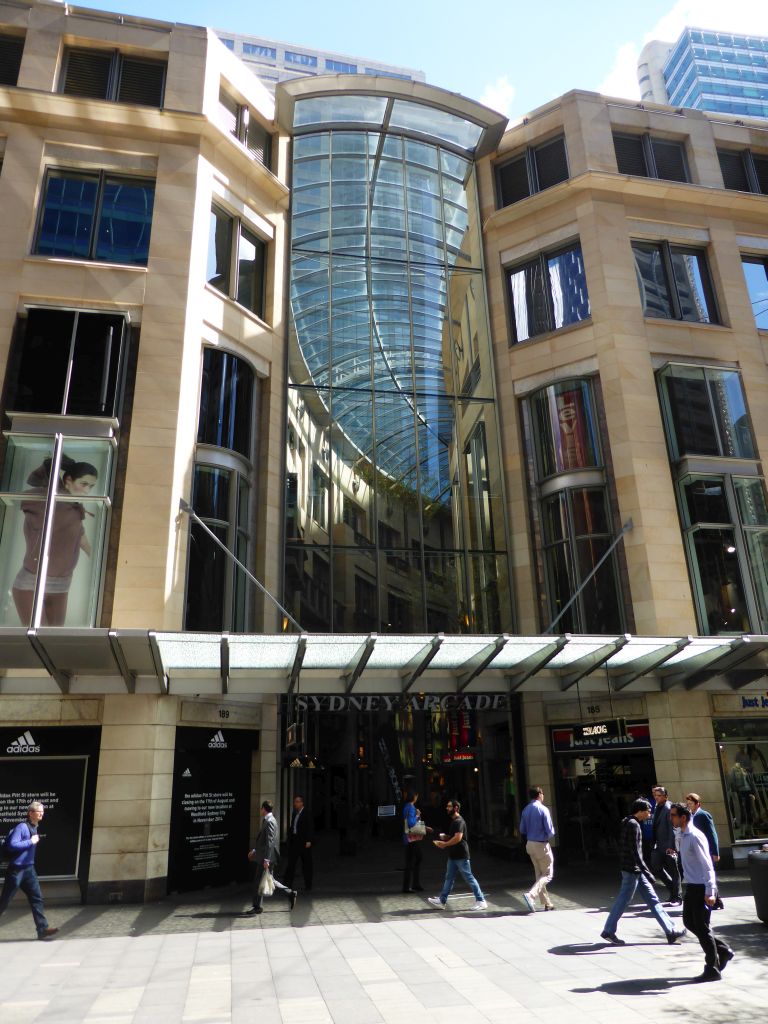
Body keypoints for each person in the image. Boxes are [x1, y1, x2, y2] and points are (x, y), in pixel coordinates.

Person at [12, 455, 98, 627]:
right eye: (83, 484)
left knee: (53, 643)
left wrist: (98, 559)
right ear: (68, 480)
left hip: (61, 586)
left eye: (91, 486)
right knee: (37, 642)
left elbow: (82, 540)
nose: (87, 491)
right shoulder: (44, 501)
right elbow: (29, 498)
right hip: (31, 583)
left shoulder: (74, 509)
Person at [600, 799, 686, 946]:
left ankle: (670, 931)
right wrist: (647, 872)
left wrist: (643, 872)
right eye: (648, 810)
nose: (650, 813)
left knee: (653, 900)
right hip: (632, 870)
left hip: (633, 870)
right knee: (623, 900)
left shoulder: (627, 821)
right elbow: (636, 852)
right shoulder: (634, 825)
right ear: (640, 810)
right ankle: (608, 930)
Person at [669, 802, 734, 982]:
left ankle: (712, 968)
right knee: (690, 922)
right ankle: (722, 950)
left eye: (673, 815)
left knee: (702, 928)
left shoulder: (695, 836)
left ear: (683, 817)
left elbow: (707, 865)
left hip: (701, 887)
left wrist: (711, 890)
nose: (671, 818)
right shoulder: (682, 834)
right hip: (691, 885)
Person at [0, 801, 58, 940]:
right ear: (31, 813)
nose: (42, 813)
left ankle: (42, 929)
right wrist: (30, 841)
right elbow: (13, 845)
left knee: (37, 898)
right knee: (4, 902)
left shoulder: (34, 827)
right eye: (39, 811)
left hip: (29, 870)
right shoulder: (22, 827)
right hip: (16, 870)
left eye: (42, 811)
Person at [428, 799, 487, 911]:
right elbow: (455, 837)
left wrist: (445, 844)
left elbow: (458, 837)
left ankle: (481, 900)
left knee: (469, 877)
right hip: (454, 855)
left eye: (449, 806)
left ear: (455, 808)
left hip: (461, 855)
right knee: (449, 878)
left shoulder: (459, 821)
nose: (447, 808)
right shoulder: (455, 821)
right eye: (447, 806)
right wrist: (446, 837)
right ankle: (442, 900)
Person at [246, 801, 297, 914]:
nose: (260, 811)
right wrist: (254, 850)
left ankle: (257, 906)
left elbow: (270, 842)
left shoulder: (270, 821)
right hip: (265, 856)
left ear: (264, 809)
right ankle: (290, 893)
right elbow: (263, 841)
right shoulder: (267, 820)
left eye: (261, 808)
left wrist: (266, 860)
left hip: (267, 858)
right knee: (270, 880)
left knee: (258, 881)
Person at [519, 786, 555, 912]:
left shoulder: (525, 810)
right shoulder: (543, 809)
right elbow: (550, 831)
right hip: (541, 844)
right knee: (548, 874)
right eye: (543, 793)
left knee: (539, 874)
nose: (543, 795)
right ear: (539, 794)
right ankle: (531, 895)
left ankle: (547, 903)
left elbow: (522, 829)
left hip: (529, 843)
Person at [651, 785, 682, 905]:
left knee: (674, 871)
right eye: (655, 795)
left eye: (659, 796)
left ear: (665, 796)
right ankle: (673, 891)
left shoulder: (669, 808)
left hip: (668, 846)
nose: (656, 798)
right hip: (658, 845)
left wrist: (671, 847)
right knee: (656, 867)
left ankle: (677, 897)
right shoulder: (656, 807)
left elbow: (672, 829)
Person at [402, 791, 430, 893]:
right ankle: (410, 886)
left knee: (415, 859)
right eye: (416, 796)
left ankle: (413, 884)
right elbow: (411, 823)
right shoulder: (411, 807)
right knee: (413, 860)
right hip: (411, 838)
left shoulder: (406, 806)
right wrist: (418, 815)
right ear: (414, 797)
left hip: (408, 837)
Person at [284, 795, 313, 892]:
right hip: (295, 842)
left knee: (306, 864)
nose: (294, 804)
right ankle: (288, 883)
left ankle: (308, 884)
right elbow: (293, 826)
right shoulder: (294, 813)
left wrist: (309, 840)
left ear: (301, 803)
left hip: (304, 842)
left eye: (297, 802)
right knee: (291, 863)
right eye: (294, 802)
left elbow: (310, 827)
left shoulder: (306, 813)